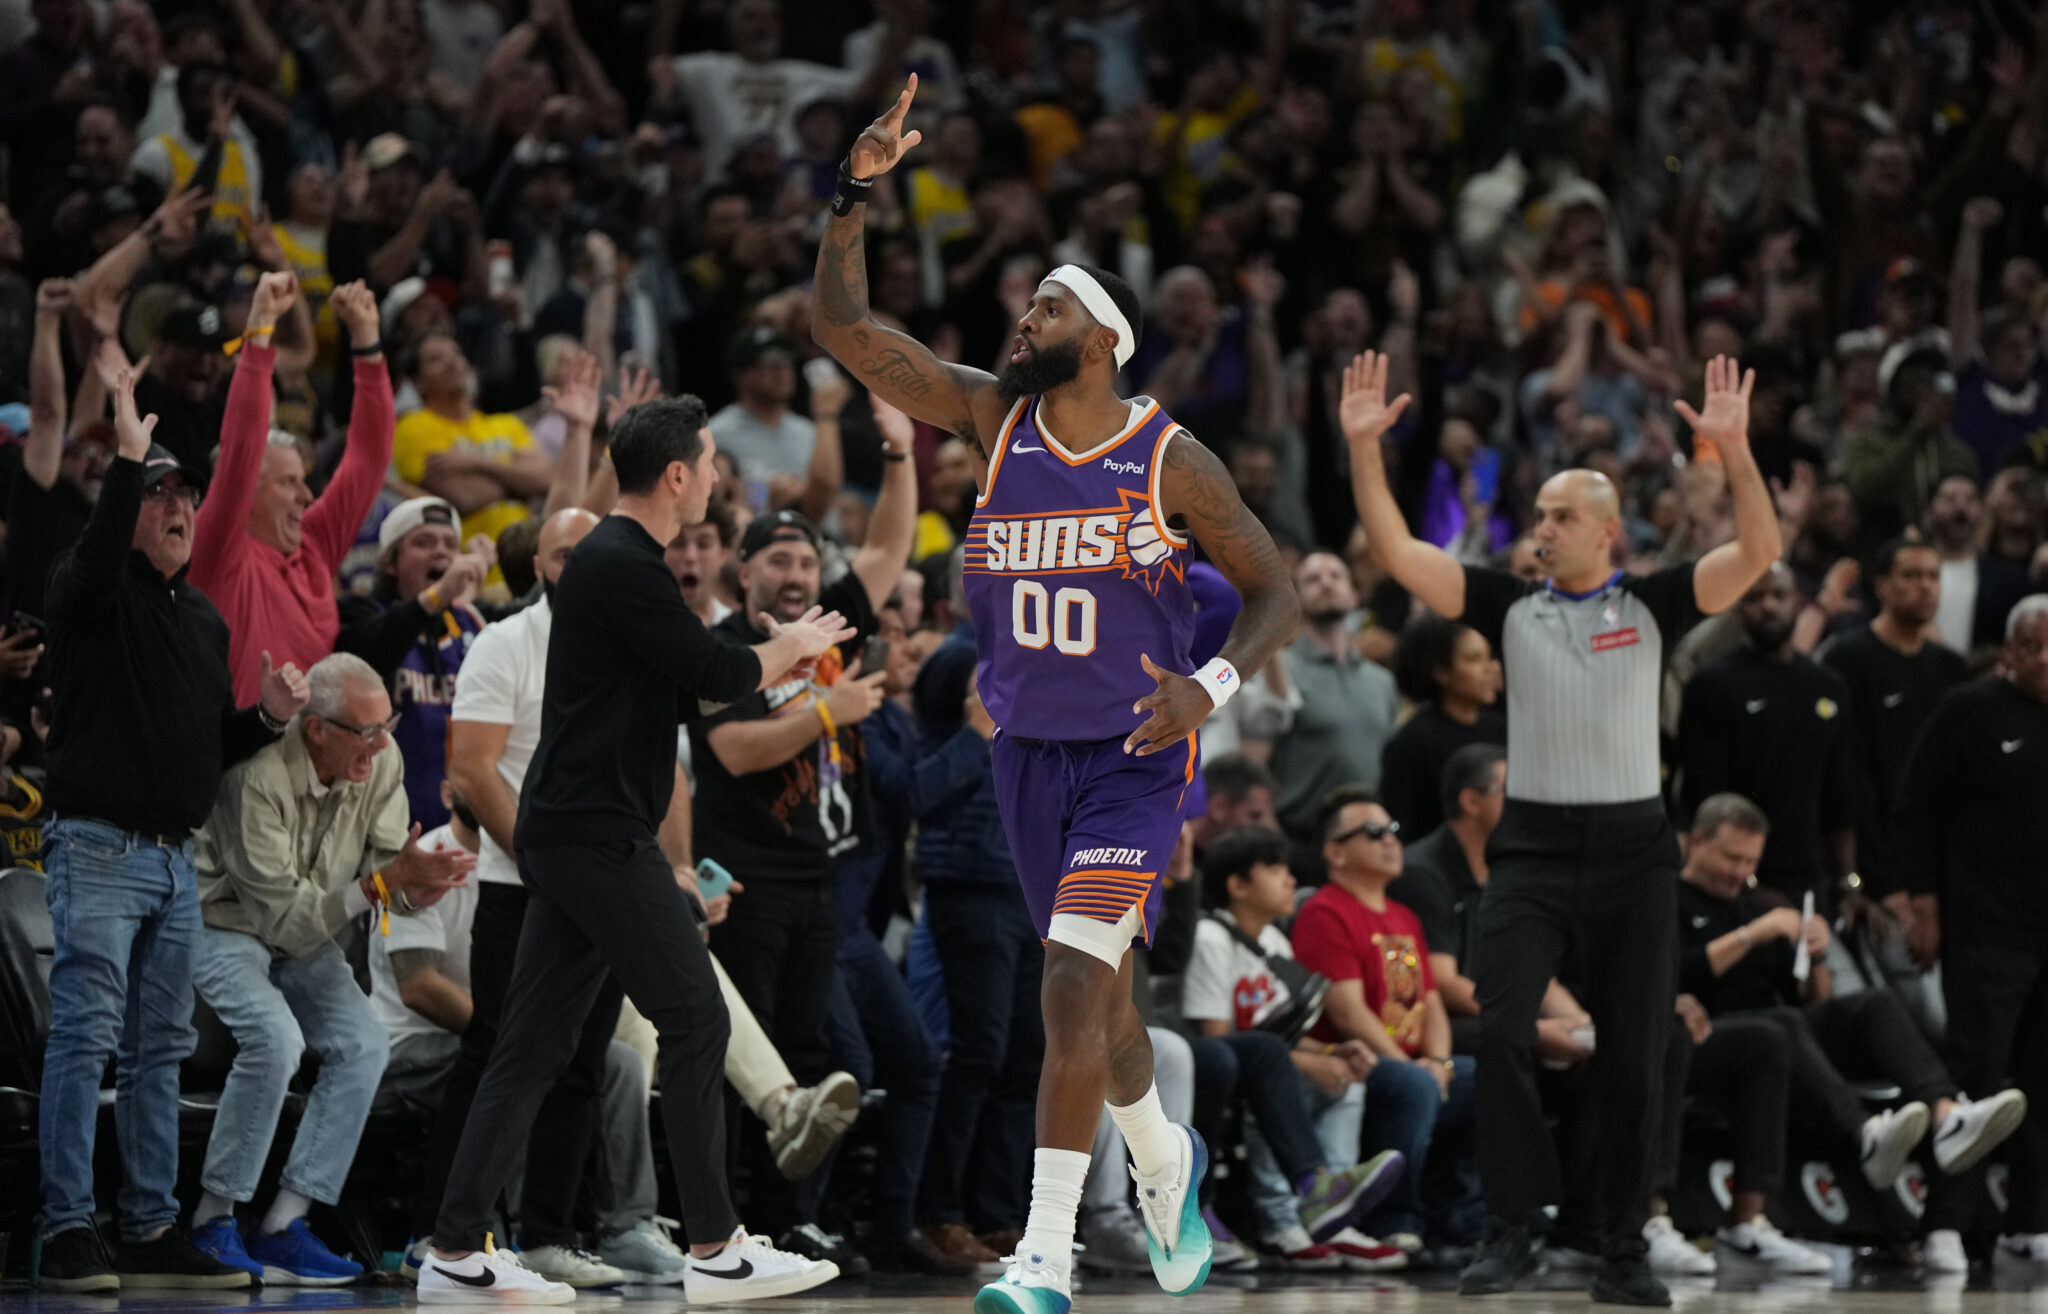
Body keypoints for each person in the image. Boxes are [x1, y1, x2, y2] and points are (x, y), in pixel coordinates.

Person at [810, 77, 1298, 1314]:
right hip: (1024, 757)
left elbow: (1275, 586)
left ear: (1101, 336)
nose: (1021, 318)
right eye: (1025, 304)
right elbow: (846, 330)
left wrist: (1210, 685)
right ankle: (1161, 1156)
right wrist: (852, 194)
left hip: (1133, 756)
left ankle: (1044, 1257)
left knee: (1070, 988)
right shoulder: (993, 417)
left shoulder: (1166, 457)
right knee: (1106, 1009)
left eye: (1046, 305)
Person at [1344, 350, 1782, 1305]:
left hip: (1635, 854)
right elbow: (1399, 554)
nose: (1541, 528)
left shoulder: (1654, 603)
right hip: (1533, 852)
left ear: (1608, 531)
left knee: (1635, 1055)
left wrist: (1736, 452)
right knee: (1503, 1031)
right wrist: (1365, 451)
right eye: (1537, 514)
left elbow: (1758, 553)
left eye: (1560, 516)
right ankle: (1514, 1226)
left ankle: (1620, 1246)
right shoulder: (1508, 607)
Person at [417, 395, 853, 1304]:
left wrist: (769, 655)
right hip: (597, 835)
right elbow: (716, 672)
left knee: (531, 1050)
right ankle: (717, 1247)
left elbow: (686, 687)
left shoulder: (617, 565)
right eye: (711, 462)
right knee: (696, 1018)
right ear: (679, 474)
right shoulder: (624, 563)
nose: (718, 477)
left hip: (572, 834)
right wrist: (796, 647)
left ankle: (454, 1251)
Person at [32, 356, 306, 1293]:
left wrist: (265, 718)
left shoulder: (203, 623)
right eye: (160, 495)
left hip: (173, 861)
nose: (179, 507)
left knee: (160, 1052)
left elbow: (201, 752)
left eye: (186, 495)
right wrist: (124, 460)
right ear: (126, 509)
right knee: (85, 1039)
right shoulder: (87, 588)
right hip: (97, 847)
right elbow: (98, 552)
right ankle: (67, 1226)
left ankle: (149, 1224)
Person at [690, 387, 914, 1264]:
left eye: (806, 561)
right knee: (746, 1056)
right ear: (741, 572)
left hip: (818, 878)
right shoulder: (721, 650)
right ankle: (729, 1224)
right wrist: (827, 713)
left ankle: (791, 1220)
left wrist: (897, 453)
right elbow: (736, 750)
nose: (795, 574)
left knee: (810, 1052)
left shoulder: (829, 633)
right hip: (742, 881)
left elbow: (890, 548)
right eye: (778, 560)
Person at [186, 652, 475, 1285]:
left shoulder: (381, 762)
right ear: (316, 728)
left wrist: (416, 891)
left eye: (387, 725)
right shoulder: (256, 776)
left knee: (364, 1044)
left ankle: (283, 1225)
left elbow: (388, 870)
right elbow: (282, 919)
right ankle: (212, 1219)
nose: (382, 743)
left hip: (307, 930)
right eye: (366, 730)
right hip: (224, 923)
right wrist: (384, 885)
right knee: (275, 1040)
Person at [1676, 792, 2025, 1271]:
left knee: (1871, 1005)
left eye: (1750, 862)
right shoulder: (1668, 898)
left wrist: (1815, 953)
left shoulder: (1757, 904)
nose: (1739, 872)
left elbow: (1812, 996)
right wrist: (1753, 935)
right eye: (1731, 858)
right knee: (1778, 1026)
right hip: (1706, 1033)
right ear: (1697, 841)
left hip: (1782, 1035)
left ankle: (1946, 1114)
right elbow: (1677, 975)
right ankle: (1864, 1134)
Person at [1898, 595, 2048, 1273]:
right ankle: (1944, 1225)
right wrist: (1923, 904)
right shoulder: (1969, 710)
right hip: (1987, 928)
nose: (2043, 659)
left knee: (2043, 1081)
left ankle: (2029, 1222)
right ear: (2009, 651)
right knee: (1978, 1080)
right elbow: (1916, 807)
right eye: (2032, 646)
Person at [1181, 824, 1409, 1270]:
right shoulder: (1211, 938)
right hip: (1221, 1068)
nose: (1290, 880)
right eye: (1274, 870)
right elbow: (1216, 1037)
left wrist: (1330, 1054)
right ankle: (1284, 1219)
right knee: (1275, 1070)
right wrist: (1306, 1062)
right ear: (1238, 886)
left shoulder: (1273, 940)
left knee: (1348, 1078)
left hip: (1267, 1060)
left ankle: (1334, 1208)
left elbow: (1283, 1031)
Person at [188, 274, 392, 705]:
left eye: (303, 481)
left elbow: (368, 459)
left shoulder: (312, 547)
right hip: (241, 743)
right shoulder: (218, 551)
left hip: (316, 739)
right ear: (247, 489)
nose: (307, 496)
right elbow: (242, 442)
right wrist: (261, 324)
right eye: (287, 483)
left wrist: (366, 340)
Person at [1293, 788, 1479, 1251]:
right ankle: (1394, 1220)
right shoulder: (1324, 912)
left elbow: (1431, 1004)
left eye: (1393, 830)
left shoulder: (1404, 916)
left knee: (1478, 1075)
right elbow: (1348, 1013)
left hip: (1410, 1062)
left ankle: (1460, 1215)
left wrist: (1438, 1061)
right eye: (1373, 832)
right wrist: (1410, 1065)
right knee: (1412, 1084)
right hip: (1351, 1061)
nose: (1391, 840)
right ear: (1335, 852)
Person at [1676, 562, 1858, 912]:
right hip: (1733, 885)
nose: (1769, 606)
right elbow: (1704, 798)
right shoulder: (1711, 685)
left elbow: (1842, 795)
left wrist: (1848, 883)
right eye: (1755, 597)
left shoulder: (1827, 686)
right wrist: (1746, 882)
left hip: (1812, 880)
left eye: (1779, 594)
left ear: (1799, 602)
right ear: (1737, 607)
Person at [1819, 538, 1964, 958]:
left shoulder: (1951, 669)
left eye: (1933, 576)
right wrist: (1881, 882)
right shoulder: (1846, 660)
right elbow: (1850, 780)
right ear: (1881, 586)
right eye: (1911, 575)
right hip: (1874, 874)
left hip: (1941, 878)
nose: (1926, 586)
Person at [334, 495, 492, 830]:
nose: (441, 552)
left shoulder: (472, 622)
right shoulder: (359, 612)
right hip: (383, 828)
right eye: (424, 542)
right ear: (390, 561)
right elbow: (368, 655)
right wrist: (437, 595)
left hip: (462, 829)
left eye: (450, 544)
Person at [1270, 550, 1402, 842]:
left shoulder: (1381, 681)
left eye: (1336, 576)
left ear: (1355, 596)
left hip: (1371, 834)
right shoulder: (1281, 672)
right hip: (1303, 836)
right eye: (1313, 579)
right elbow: (1257, 756)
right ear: (1296, 598)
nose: (1326, 583)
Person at [1388, 744, 1507, 1053]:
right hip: (1437, 1020)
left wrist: (1580, 1023)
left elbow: (1532, 970)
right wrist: (1526, 1025)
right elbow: (1443, 982)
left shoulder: (1505, 866)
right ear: (1471, 801)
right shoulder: (1421, 875)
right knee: (1508, 1041)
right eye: (1508, 790)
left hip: (1486, 1008)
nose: (1521, 803)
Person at [1380, 614, 1504, 838]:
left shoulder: (1501, 728)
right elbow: (1399, 823)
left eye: (1490, 657)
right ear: (1441, 672)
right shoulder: (1413, 741)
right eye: (1474, 659)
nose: (1491, 668)